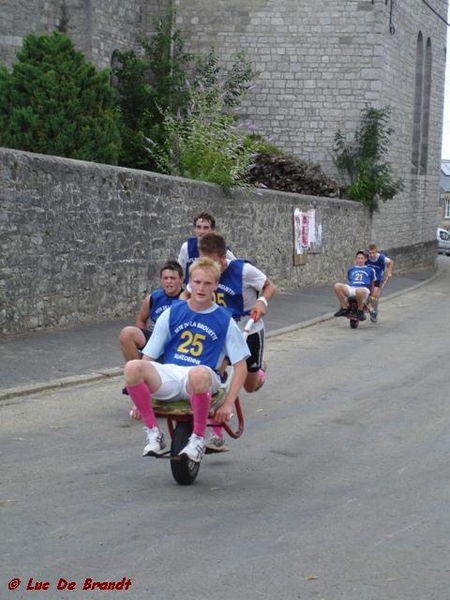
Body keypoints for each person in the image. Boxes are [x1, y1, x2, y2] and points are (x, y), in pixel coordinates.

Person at [123, 257, 250, 463]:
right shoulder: (172, 313)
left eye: (207, 283)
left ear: (216, 285)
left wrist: (227, 403)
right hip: (173, 373)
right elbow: (149, 356)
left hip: (204, 376)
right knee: (132, 367)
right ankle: (153, 432)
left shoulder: (225, 320)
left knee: (198, 372)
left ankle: (198, 439)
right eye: (197, 282)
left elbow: (241, 367)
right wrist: (139, 399)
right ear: (189, 282)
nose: (201, 288)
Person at [193, 233, 276, 449]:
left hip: (248, 329)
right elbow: (189, 294)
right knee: (214, 374)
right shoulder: (203, 273)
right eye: (202, 259)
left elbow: (270, 286)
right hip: (218, 331)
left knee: (249, 386)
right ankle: (216, 433)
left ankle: (258, 374)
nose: (205, 265)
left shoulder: (243, 270)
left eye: (211, 261)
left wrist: (261, 301)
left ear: (222, 258)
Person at [119, 260, 184, 362]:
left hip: (175, 343)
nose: (168, 281)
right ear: (161, 280)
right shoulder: (153, 298)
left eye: (172, 278)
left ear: (180, 279)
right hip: (155, 339)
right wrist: (147, 347)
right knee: (127, 333)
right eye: (165, 278)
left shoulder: (186, 300)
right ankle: (138, 372)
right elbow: (141, 319)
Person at [177, 212, 236, 284]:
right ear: (194, 229)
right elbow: (180, 270)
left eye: (206, 228)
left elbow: (235, 267)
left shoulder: (222, 250)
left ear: (212, 230)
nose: (201, 231)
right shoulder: (186, 247)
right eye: (198, 227)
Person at [333, 250, 376, 321]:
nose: (360, 260)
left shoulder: (370, 270)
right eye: (358, 258)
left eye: (362, 258)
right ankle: (344, 308)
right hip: (352, 287)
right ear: (356, 259)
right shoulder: (351, 269)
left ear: (365, 259)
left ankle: (360, 310)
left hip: (364, 289)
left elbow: (372, 283)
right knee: (337, 285)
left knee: (359, 290)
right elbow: (349, 280)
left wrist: (372, 295)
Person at [365, 243, 395, 323]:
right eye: (370, 253)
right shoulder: (366, 257)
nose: (371, 255)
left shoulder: (381, 258)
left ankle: (374, 312)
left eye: (373, 253)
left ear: (376, 252)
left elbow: (391, 262)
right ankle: (364, 308)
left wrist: (389, 272)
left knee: (374, 297)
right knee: (366, 294)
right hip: (367, 279)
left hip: (377, 279)